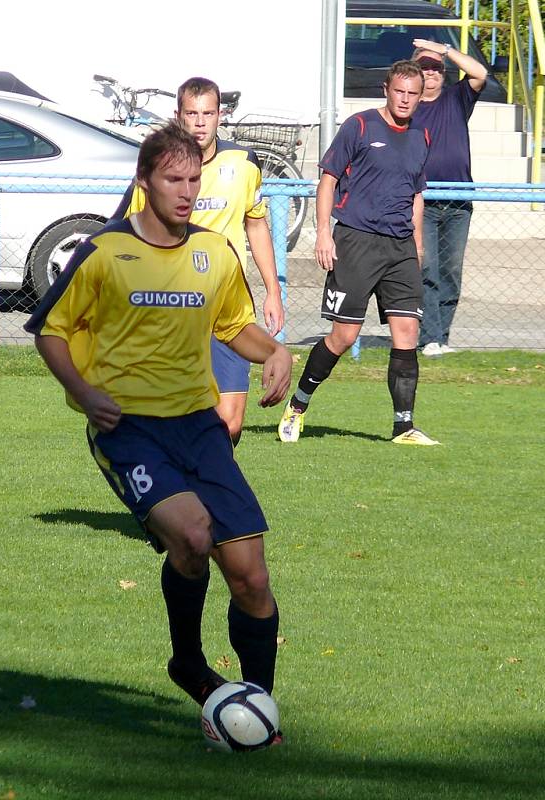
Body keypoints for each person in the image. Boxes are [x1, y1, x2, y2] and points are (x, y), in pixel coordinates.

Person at [24, 123, 292, 728]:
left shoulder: (214, 254)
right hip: (128, 428)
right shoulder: (102, 252)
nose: (186, 191)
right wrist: (83, 391)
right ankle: (190, 662)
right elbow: (50, 331)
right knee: (194, 536)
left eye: (194, 179)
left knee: (251, 575)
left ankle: (257, 710)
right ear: (144, 182)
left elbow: (234, 325)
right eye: (174, 179)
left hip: (198, 426)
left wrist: (273, 351)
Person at [112, 76, 284, 445]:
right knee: (172, 415)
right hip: (173, 308)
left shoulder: (243, 162)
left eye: (208, 113)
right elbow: (122, 232)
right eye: (192, 113)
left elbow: (256, 225)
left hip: (227, 306)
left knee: (231, 424)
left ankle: (203, 487)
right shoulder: (156, 169)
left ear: (221, 115)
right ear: (179, 116)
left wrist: (273, 289)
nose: (201, 122)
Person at [278, 60, 440, 446]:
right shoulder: (361, 126)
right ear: (386, 89)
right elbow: (328, 180)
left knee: (407, 332)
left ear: (420, 96)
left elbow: (417, 194)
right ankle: (298, 405)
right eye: (398, 91)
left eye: (412, 93)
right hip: (356, 241)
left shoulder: (421, 136)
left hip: (400, 247)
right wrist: (323, 235)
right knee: (344, 336)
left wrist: (417, 243)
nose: (404, 99)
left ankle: (404, 427)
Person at [410, 39, 487, 357]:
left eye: (438, 67)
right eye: (426, 67)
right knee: (427, 268)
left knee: (451, 271)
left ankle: (441, 336)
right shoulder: (408, 106)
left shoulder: (457, 98)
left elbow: (479, 72)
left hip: (458, 202)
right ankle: (428, 337)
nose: (433, 72)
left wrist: (443, 49)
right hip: (423, 203)